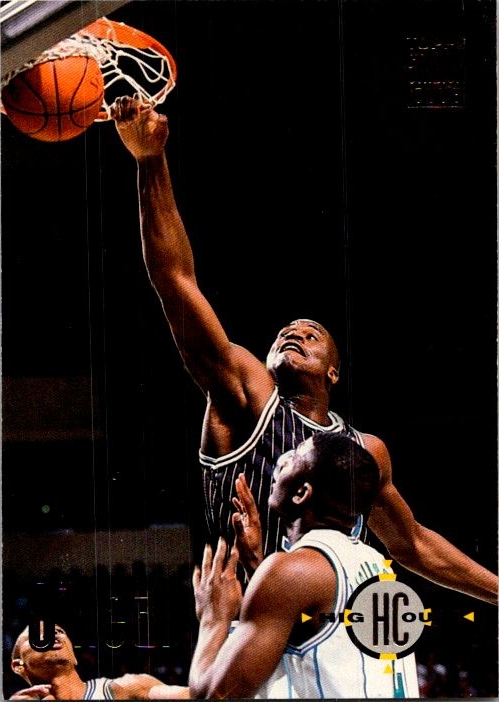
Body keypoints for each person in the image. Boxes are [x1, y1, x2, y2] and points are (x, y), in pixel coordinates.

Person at [112, 97, 497, 604]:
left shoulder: (366, 450)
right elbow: (175, 280)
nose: (293, 334)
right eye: (284, 333)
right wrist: (150, 161)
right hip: (247, 625)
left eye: (311, 334)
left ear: (334, 372)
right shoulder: (247, 394)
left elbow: (415, 545)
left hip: (332, 627)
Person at [189, 432, 420, 698]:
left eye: (294, 458)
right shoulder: (377, 564)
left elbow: (214, 696)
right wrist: (256, 566)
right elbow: (326, 645)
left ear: (301, 493)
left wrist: (213, 619)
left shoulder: (293, 572)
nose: (282, 460)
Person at [8, 625, 189, 700]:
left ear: (74, 656)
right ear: (18, 666)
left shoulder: (128, 687)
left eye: (59, 631)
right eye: (37, 635)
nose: (53, 634)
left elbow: (198, 695)